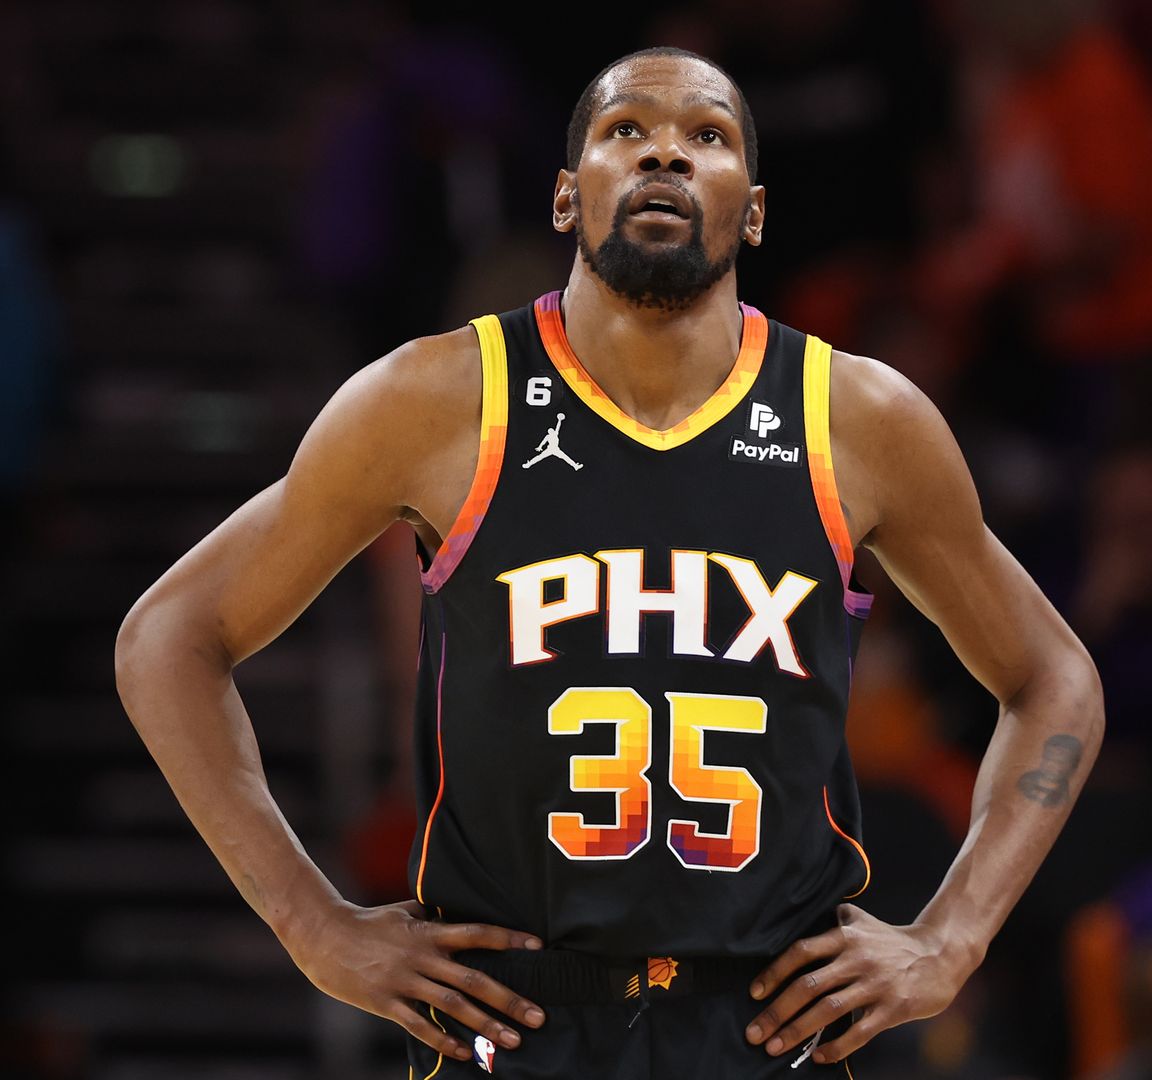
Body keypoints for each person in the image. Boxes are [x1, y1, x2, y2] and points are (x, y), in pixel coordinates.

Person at [114, 46, 1104, 1077]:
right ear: (565, 194)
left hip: (767, 1026)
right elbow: (170, 637)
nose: (664, 154)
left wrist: (952, 939)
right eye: (624, 131)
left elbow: (1056, 678)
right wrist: (311, 924)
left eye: (706, 136)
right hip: (517, 1021)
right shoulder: (437, 401)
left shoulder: (857, 419)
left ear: (753, 211)